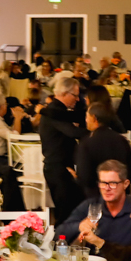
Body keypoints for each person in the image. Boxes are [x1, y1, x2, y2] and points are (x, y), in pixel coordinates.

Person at [39, 76, 88, 224]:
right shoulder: (54, 111)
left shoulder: (58, 110)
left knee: (71, 211)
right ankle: (60, 238)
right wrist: (96, 133)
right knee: (64, 214)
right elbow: (73, 132)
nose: (77, 99)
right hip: (57, 168)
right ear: (64, 93)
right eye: (75, 95)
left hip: (61, 167)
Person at [58, 160, 131, 246]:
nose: (107, 188)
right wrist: (79, 226)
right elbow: (59, 234)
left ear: (125, 184)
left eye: (112, 183)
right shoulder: (91, 205)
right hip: (94, 255)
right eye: (103, 183)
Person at [75, 104, 131, 199]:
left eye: (87, 116)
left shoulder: (86, 143)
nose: (86, 120)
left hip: (96, 198)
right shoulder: (122, 141)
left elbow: (85, 179)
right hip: (121, 197)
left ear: (94, 118)